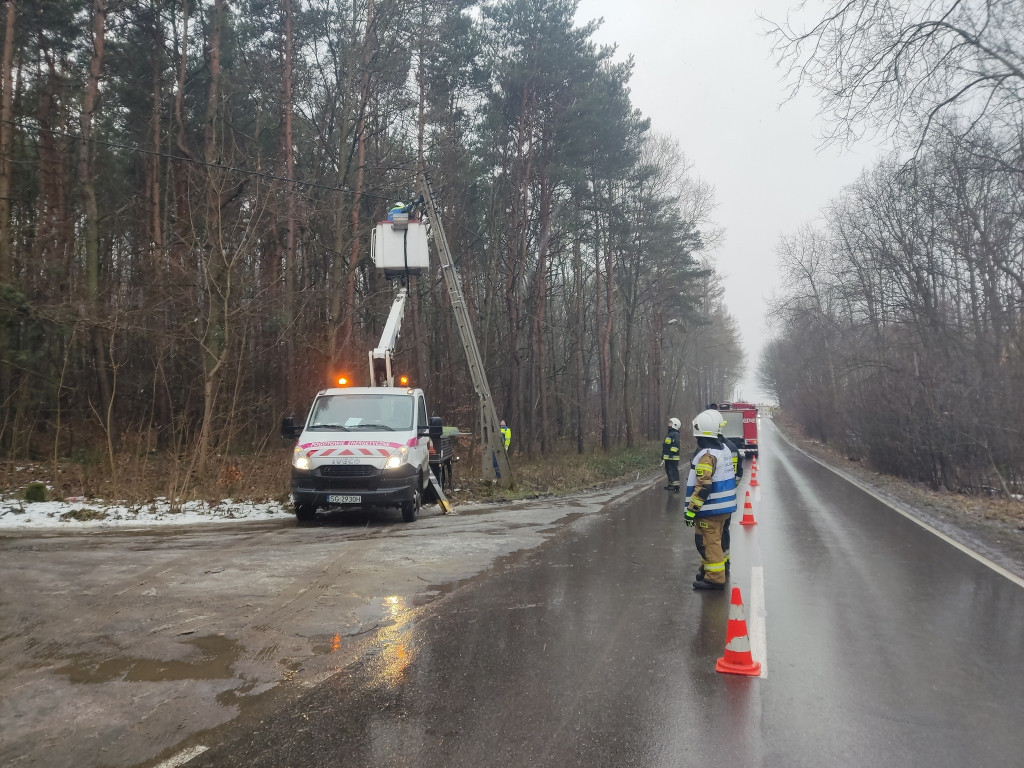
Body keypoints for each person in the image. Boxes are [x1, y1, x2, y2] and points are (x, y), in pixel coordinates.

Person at [685, 409, 738, 590]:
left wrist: (691, 510)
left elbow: (703, 487)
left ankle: (714, 578)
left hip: (710, 509)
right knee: (709, 541)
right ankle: (707, 570)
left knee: (710, 542)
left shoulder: (707, 457)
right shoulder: (723, 449)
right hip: (722, 508)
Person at [662, 417, 682, 492]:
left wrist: (670, 453)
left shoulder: (675, 434)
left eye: (671, 423)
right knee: (668, 470)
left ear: (675, 424)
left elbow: (675, 445)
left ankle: (676, 485)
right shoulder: (670, 434)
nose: (669, 424)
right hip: (668, 457)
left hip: (673, 457)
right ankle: (671, 484)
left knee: (673, 471)